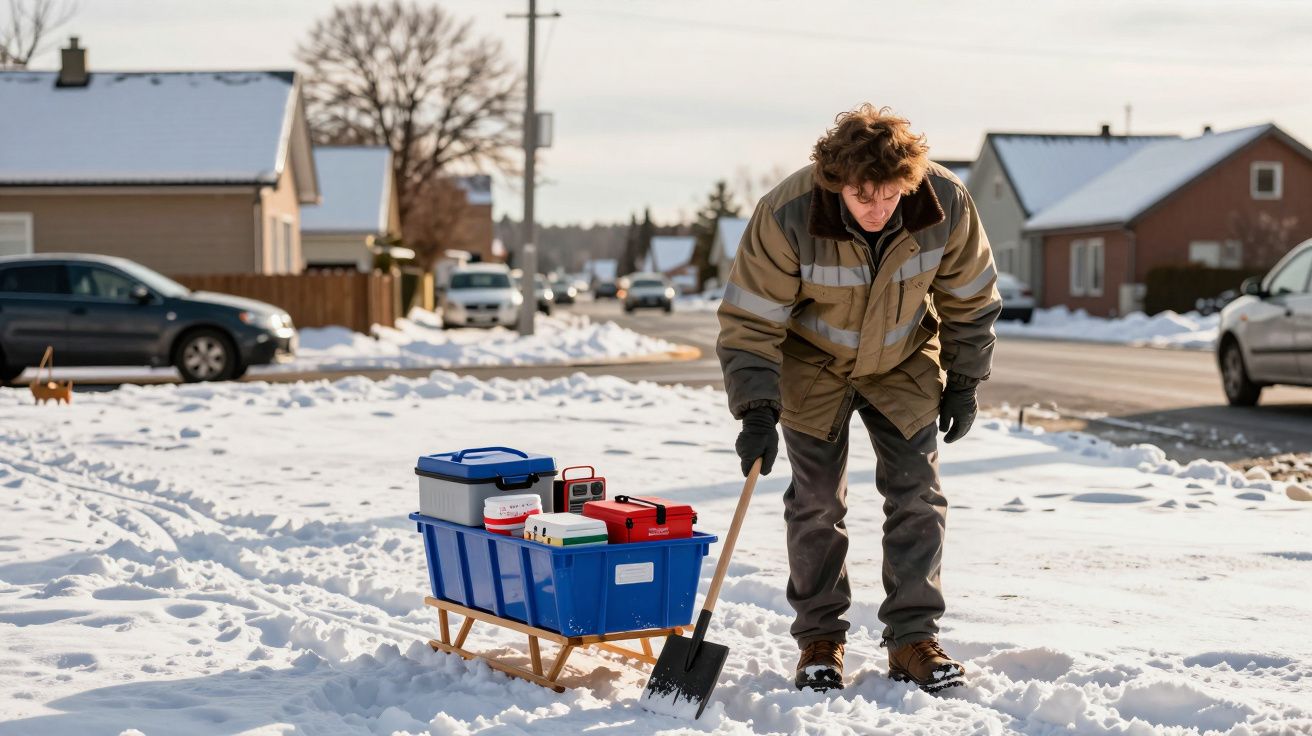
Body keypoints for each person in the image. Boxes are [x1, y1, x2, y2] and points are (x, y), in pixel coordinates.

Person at [715, 104, 1000, 693]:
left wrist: (965, 379)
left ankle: (913, 639)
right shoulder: (787, 214)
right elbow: (750, 321)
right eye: (865, 195)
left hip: (900, 361)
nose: (880, 209)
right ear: (836, 180)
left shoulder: (944, 203)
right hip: (812, 365)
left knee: (918, 496)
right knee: (817, 502)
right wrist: (757, 410)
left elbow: (970, 297)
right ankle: (821, 640)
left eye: (892, 195)